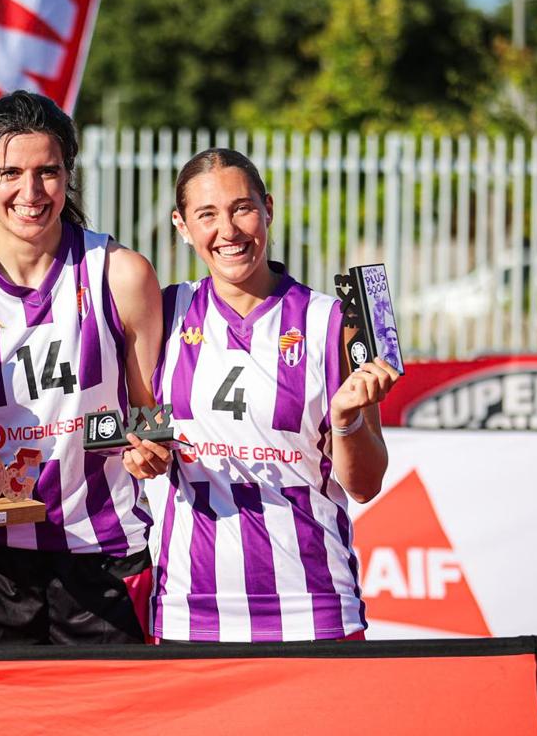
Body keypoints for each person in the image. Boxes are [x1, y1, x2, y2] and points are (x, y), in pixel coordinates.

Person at [0, 90, 164, 645]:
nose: (30, 192)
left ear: (69, 174)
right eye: (11, 173)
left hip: (104, 556)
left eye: (48, 171)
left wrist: (151, 449)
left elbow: (149, 411)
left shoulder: (120, 274)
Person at [124, 147, 398, 642]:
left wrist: (346, 420)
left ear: (267, 209)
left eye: (241, 208)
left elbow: (365, 485)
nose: (227, 231)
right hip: (191, 613)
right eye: (206, 214)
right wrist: (144, 456)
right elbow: (149, 433)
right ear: (181, 226)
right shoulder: (162, 313)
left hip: (314, 610)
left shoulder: (330, 322)